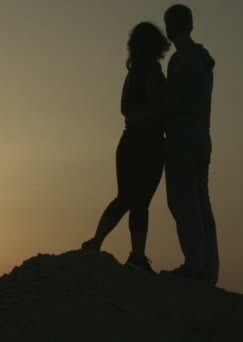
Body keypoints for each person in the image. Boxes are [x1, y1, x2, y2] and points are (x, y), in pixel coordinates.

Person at [82, 22, 169, 274]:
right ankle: (137, 257)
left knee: (124, 197)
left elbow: (123, 107)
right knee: (140, 201)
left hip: (128, 140)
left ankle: (96, 241)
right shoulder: (153, 70)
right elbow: (158, 102)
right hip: (149, 142)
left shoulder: (131, 73)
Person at [160, 4, 220, 285]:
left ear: (171, 28)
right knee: (201, 203)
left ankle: (195, 263)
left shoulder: (180, 60)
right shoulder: (203, 59)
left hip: (182, 136)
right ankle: (208, 268)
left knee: (183, 201)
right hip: (202, 135)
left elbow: (172, 102)